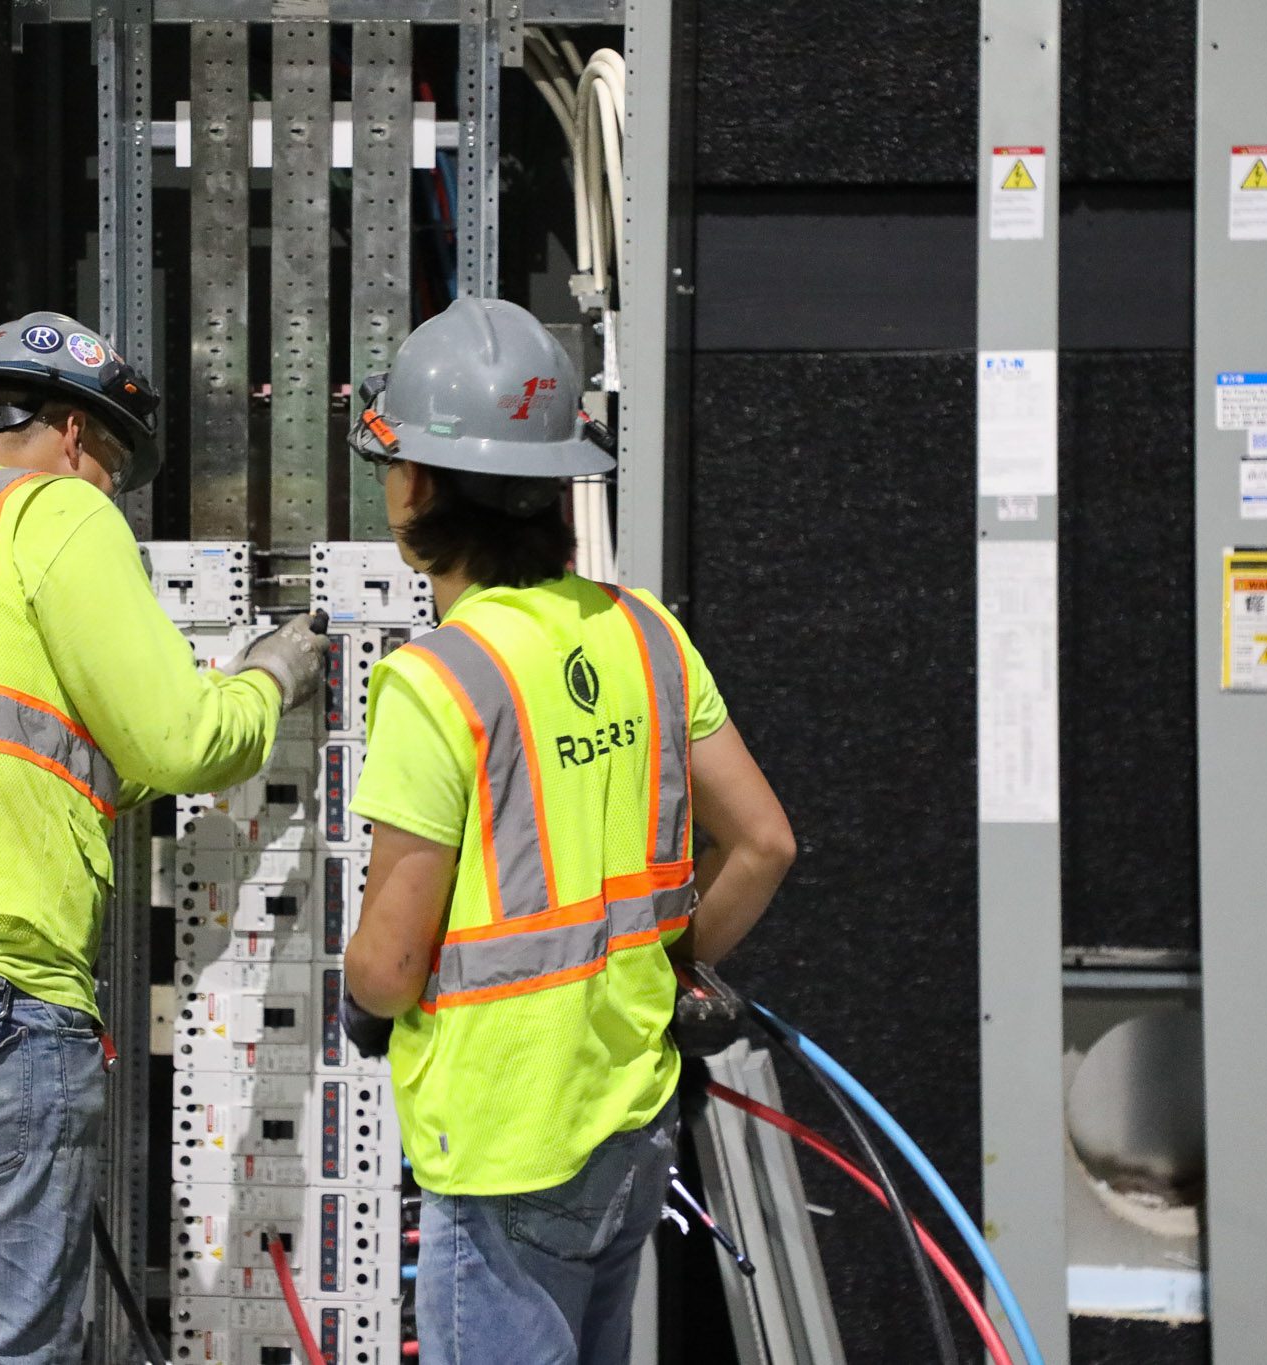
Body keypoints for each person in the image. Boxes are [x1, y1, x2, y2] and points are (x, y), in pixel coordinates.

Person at [0, 312, 328, 1365]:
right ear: (75, 436)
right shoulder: (54, 513)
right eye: (112, 474)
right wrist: (274, 675)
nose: (109, 500)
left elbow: (25, 753)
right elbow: (184, 741)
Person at [342, 299, 796, 1365]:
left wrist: (363, 996)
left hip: (505, 1148)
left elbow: (389, 963)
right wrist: (670, 966)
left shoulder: (437, 679)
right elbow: (764, 843)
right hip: (628, 1123)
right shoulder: (646, 634)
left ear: (413, 486)